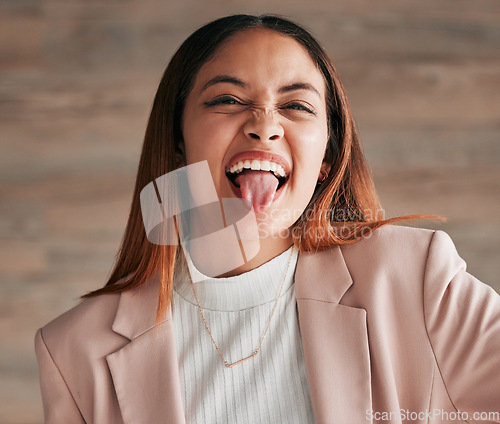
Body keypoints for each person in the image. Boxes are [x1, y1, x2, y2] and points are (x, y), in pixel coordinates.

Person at [34, 14, 500, 424]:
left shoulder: (416, 278)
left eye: (296, 106)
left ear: (326, 157)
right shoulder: (75, 350)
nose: (263, 122)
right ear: (179, 142)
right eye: (227, 100)